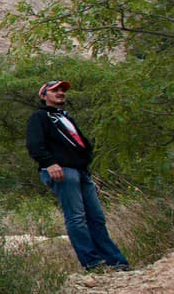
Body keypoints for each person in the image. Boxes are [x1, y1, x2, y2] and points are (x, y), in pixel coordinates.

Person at [26, 80, 129, 271]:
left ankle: (115, 261)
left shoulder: (66, 118)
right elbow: (34, 144)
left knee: (96, 217)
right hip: (62, 171)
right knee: (76, 217)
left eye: (62, 90)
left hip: (80, 171)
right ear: (43, 95)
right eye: (55, 90)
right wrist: (49, 163)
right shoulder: (39, 117)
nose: (60, 93)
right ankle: (92, 262)